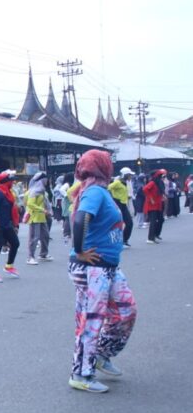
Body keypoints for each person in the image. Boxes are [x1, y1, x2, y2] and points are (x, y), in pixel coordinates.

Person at [68, 149, 137, 393]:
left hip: (106, 267)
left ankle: (99, 355)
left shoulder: (97, 190)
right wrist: (79, 251)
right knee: (91, 319)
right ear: (101, 167)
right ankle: (81, 374)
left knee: (126, 310)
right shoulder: (95, 191)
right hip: (92, 268)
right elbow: (81, 219)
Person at [0, 171, 21, 283]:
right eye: (11, 180)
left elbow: (11, 210)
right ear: (6, 182)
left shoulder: (8, 193)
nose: (13, 182)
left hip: (6, 224)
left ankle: (9, 265)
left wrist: (15, 224)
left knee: (15, 243)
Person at [25, 171, 53, 265]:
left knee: (45, 236)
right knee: (34, 238)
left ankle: (43, 254)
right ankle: (30, 257)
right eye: (45, 179)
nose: (47, 181)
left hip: (42, 217)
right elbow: (30, 204)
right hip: (34, 217)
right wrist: (42, 210)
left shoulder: (41, 191)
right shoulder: (34, 191)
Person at [108, 167, 135, 247]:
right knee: (115, 224)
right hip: (117, 204)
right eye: (129, 175)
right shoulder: (117, 182)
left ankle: (124, 240)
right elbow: (108, 188)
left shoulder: (125, 182)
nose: (131, 176)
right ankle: (116, 242)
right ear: (125, 175)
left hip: (123, 204)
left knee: (129, 223)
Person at [143, 169, 166, 244]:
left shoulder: (159, 182)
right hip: (152, 205)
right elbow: (145, 189)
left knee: (161, 219)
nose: (162, 177)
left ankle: (156, 234)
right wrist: (150, 198)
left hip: (158, 204)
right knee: (153, 222)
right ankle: (150, 238)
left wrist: (163, 196)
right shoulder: (152, 182)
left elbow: (160, 191)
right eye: (160, 175)